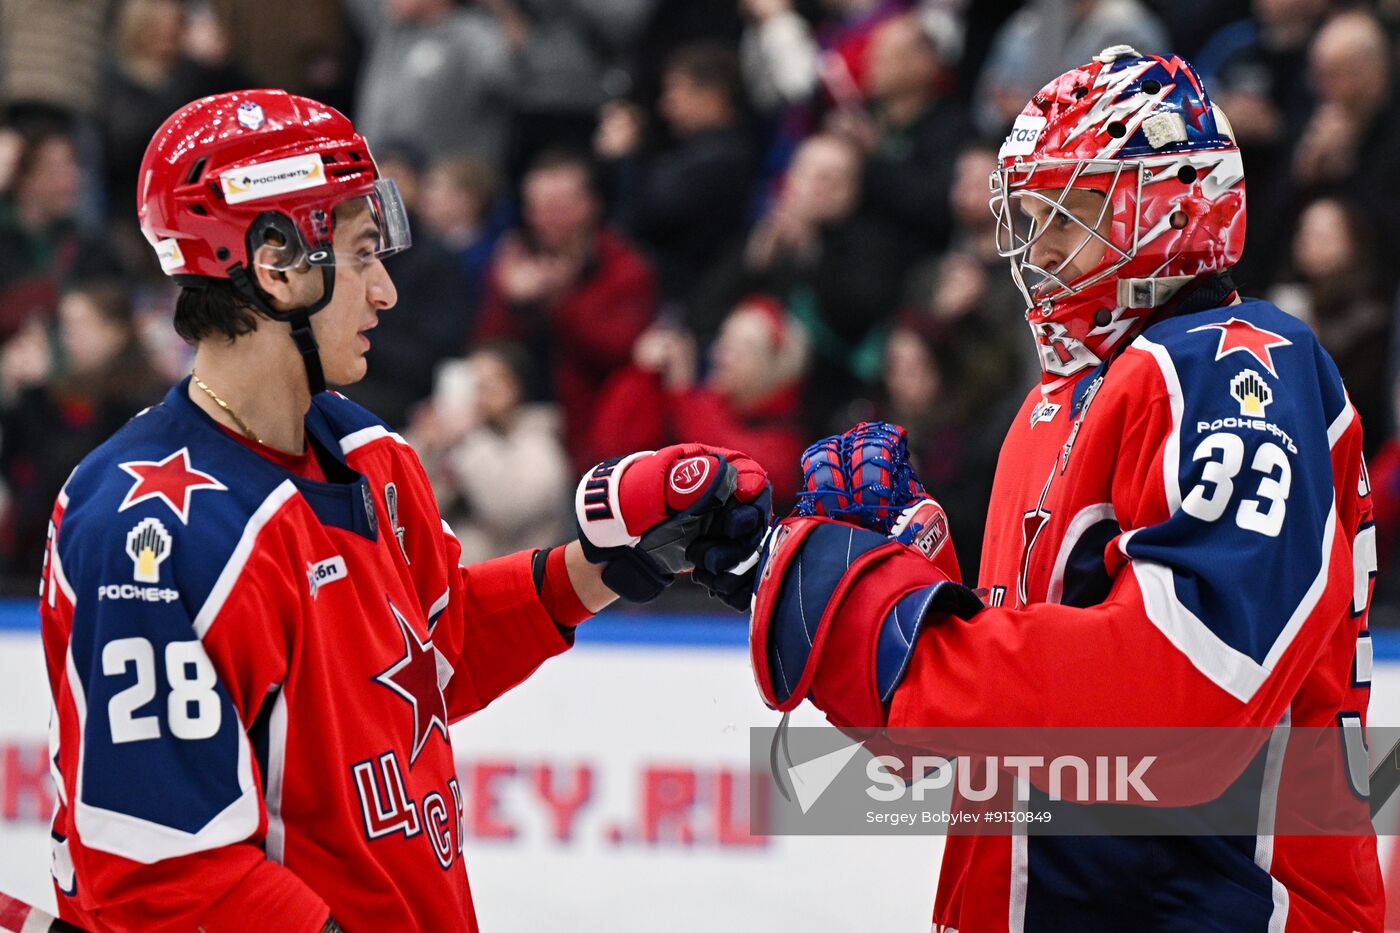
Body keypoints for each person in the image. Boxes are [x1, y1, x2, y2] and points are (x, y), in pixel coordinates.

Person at [39, 90, 769, 931]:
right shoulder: (146, 529)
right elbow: (162, 864)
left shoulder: (368, 451)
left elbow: (432, 654)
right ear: (276, 266)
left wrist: (606, 564)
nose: (385, 290)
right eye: (360, 254)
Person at [749, 47, 1380, 929]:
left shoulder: (1233, 364)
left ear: (1177, 206)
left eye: (1073, 211)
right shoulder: (1057, 400)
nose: (1039, 248)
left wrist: (900, 640)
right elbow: (992, 741)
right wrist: (906, 599)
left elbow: (1186, 698)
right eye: (1031, 213)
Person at [476, 148, 656, 473]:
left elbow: (622, 350)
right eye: (537, 209)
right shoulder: (516, 258)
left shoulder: (624, 268)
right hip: (513, 417)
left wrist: (560, 301)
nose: (545, 220)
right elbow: (487, 344)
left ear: (590, 205)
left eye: (557, 208)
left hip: (592, 431)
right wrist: (511, 302)